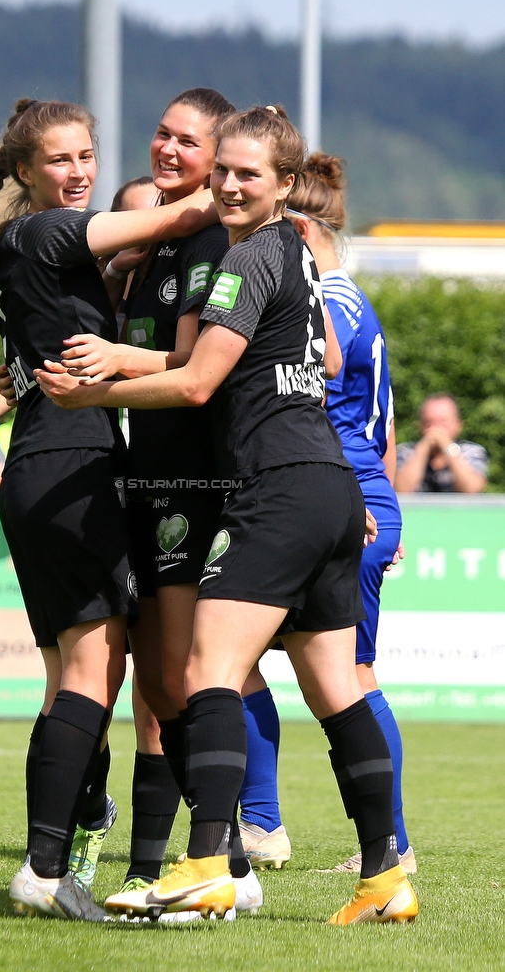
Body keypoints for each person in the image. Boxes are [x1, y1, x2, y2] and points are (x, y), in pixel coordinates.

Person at [36, 105, 419, 925]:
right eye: (227, 171)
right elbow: (320, 354)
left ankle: (210, 860)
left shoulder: (248, 258)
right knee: (336, 689)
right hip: (326, 483)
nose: (232, 183)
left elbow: (197, 381)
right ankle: (386, 876)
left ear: (285, 186)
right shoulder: (304, 258)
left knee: (201, 669)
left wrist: (93, 390)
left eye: (250, 173)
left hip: (278, 486)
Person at [0, 96, 217, 922]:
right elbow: (186, 213)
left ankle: (58, 852)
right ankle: (50, 869)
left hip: (46, 466)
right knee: (94, 673)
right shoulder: (45, 232)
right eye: (59, 159)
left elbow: (39, 358)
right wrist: (239, 180)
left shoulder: (25, 250)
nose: (79, 171)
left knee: (71, 682)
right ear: (23, 170)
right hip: (71, 470)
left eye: (87, 154)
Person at [58, 89, 292, 912]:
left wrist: (112, 362)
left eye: (188, 141)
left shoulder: (205, 241)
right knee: (161, 683)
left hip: (199, 478)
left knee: (185, 678)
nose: (169, 149)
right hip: (154, 478)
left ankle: (215, 859)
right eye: (161, 132)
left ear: (220, 157)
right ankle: (204, 857)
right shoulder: (159, 236)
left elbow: (191, 368)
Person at [286, 152, 416, 875]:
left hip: (345, 498)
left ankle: (389, 844)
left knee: (352, 678)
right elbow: (387, 427)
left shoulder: (329, 302)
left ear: (302, 230)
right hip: (361, 494)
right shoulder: (353, 295)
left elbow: (327, 375)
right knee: (339, 673)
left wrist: (363, 502)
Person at [395, 393, 488, 493]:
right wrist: (422, 449)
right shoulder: (405, 451)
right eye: (429, 422)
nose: (435, 428)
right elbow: (401, 490)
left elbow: (472, 489)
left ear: (457, 424)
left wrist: (448, 447)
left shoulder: (471, 451)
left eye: (442, 422)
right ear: (420, 425)